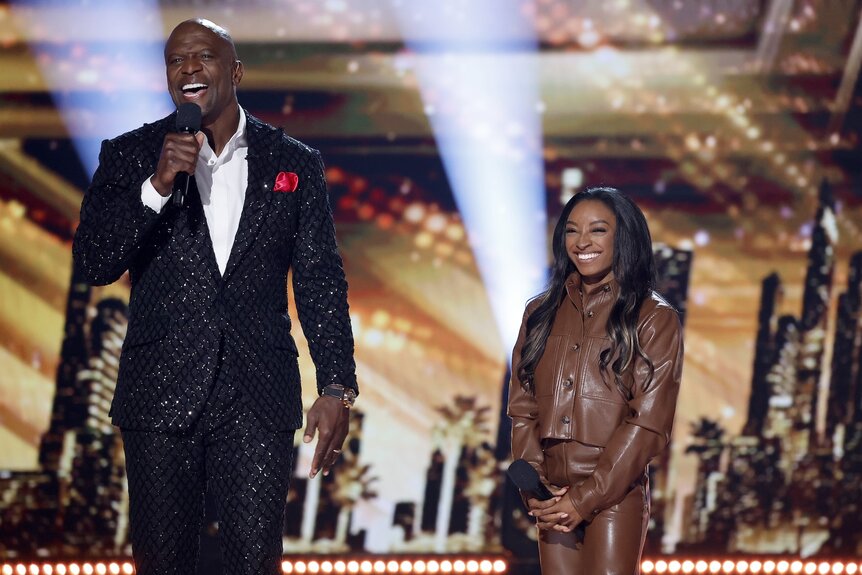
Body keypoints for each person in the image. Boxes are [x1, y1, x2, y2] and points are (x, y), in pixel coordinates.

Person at [72, 19, 358, 575]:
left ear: (235, 71)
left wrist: (337, 386)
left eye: (202, 56)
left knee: (253, 563)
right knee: (163, 564)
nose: (188, 69)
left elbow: (321, 280)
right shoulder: (132, 155)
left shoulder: (294, 163)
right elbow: (94, 263)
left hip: (257, 396)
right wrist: (155, 187)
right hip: (160, 394)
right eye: (176, 60)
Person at [507, 187, 683, 574]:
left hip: (614, 493)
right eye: (572, 231)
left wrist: (585, 498)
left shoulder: (653, 317)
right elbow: (523, 407)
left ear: (624, 237)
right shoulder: (538, 313)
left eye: (598, 230)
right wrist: (534, 484)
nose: (582, 242)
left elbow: (649, 423)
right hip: (550, 492)